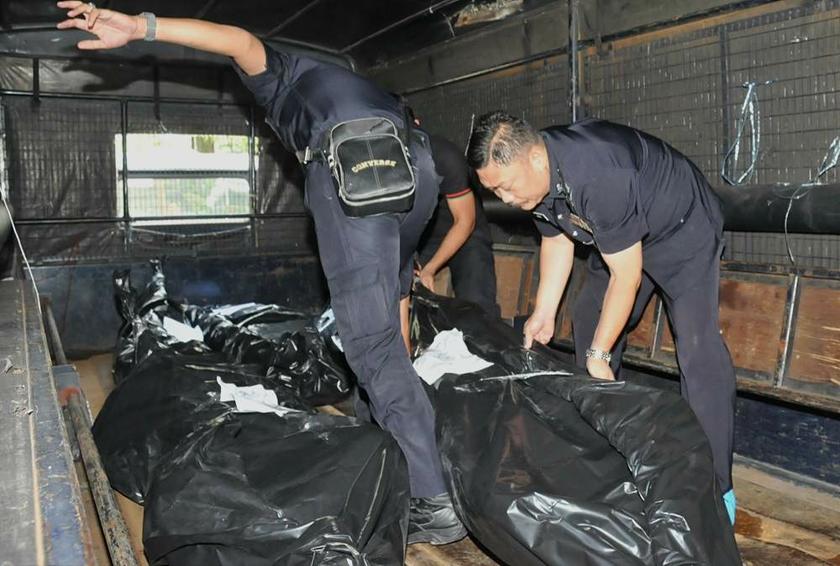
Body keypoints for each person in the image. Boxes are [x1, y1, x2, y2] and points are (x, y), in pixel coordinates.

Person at [56, 1, 466, 545]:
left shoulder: (285, 77)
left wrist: (140, 27)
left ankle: (431, 498)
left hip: (356, 168)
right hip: (415, 175)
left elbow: (235, 40)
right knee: (383, 330)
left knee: (368, 344)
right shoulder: (358, 88)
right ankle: (387, 445)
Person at [466, 111, 738, 525]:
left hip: (681, 228)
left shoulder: (596, 174)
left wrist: (599, 352)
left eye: (504, 186)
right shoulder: (537, 182)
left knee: (698, 350)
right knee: (587, 313)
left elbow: (626, 277)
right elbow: (556, 239)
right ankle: (602, 444)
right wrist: (543, 311)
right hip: (620, 233)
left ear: (535, 159)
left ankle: (715, 488)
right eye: (494, 190)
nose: (503, 199)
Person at [415, 130, 499, 318]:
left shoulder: (444, 155)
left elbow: (465, 221)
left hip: (465, 229)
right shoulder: (387, 162)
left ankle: (483, 340)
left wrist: (430, 269)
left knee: (477, 304)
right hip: (423, 236)